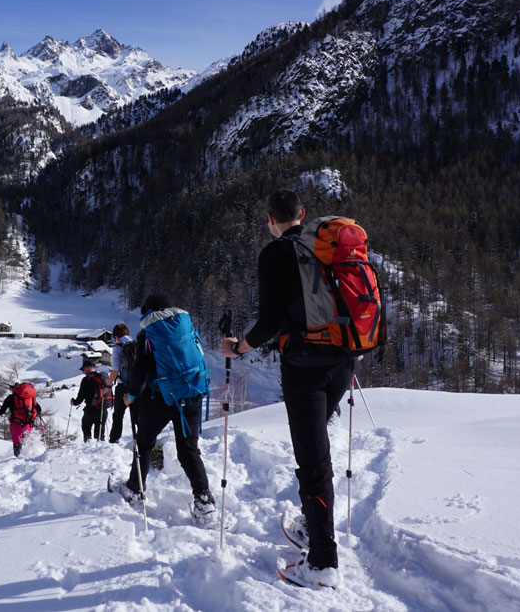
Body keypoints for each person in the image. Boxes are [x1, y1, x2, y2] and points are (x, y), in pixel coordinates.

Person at [219, 188, 350, 588]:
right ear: (302, 213)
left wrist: (239, 348)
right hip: (343, 361)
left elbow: (270, 322)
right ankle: (312, 526)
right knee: (315, 451)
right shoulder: (326, 247)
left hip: (305, 368)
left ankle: (323, 564)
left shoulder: (275, 253)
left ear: (270, 220)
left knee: (313, 461)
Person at [118, 294, 215, 523]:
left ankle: (134, 489)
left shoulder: (148, 334)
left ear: (149, 312)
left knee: (144, 443)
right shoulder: (186, 325)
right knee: (189, 450)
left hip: (159, 398)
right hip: (190, 394)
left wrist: (131, 395)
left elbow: (140, 371)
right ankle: (204, 501)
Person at [0, 382, 42, 457]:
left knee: (17, 445)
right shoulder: (30, 397)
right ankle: (31, 458)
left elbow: (1, 411)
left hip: (16, 424)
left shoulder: (11, 397)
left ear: (12, 388)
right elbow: (39, 409)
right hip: (29, 424)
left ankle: (17, 460)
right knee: (27, 443)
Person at [71, 357, 111, 442]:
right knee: (100, 434)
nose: (83, 372)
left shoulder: (86, 379)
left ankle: (88, 443)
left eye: (83, 370)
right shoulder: (103, 377)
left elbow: (81, 396)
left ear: (87, 368)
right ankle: (101, 447)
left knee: (86, 428)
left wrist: (74, 402)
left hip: (90, 410)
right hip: (103, 410)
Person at [107, 324, 135, 444]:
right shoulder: (136, 343)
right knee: (137, 414)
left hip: (123, 386)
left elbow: (115, 370)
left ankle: (114, 439)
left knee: (118, 414)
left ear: (116, 336)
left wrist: (107, 386)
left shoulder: (118, 347)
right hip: (137, 384)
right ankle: (141, 439)